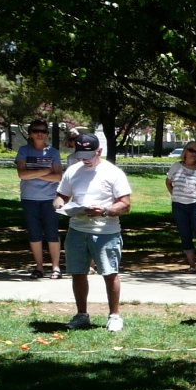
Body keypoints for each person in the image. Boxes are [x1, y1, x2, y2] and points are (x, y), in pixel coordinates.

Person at [54, 133, 132, 332]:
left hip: (106, 231)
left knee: (110, 273)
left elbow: (125, 204)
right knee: (78, 273)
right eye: (80, 155)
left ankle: (114, 316)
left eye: (88, 155)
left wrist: (105, 210)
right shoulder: (73, 171)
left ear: (100, 151)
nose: (84, 159)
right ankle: (82, 315)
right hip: (77, 230)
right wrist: (61, 205)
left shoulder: (113, 173)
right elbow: (60, 196)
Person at [15, 119, 63, 278]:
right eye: (36, 131)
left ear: (47, 133)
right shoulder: (23, 151)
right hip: (29, 198)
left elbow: (57, 177)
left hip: (50, 199)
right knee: (34, 233)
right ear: (30, 133)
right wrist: (45, 171)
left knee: (52, 233)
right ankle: (39, 267)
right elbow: (22, 174)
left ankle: (56, 268)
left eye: (43, 130)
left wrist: (33, 173)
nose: (39, 133)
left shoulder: (53, 152)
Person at [165, 140, 196, 274]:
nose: (193, 154)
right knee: (185, 235)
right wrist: (174, 195)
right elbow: (168, 182)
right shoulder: (176, 166)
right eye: (191, 150)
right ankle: (192, 266)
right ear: (185, 152)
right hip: (179, 206)